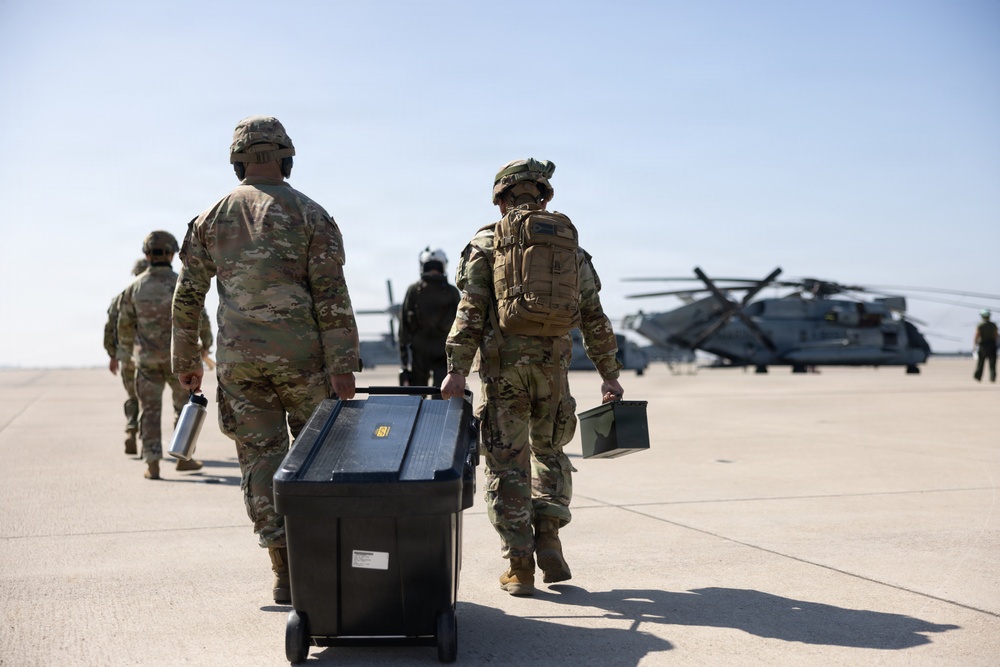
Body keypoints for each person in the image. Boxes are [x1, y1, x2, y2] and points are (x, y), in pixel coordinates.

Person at [171, 115, 361, 605]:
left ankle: (282, 569)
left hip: (240, 364)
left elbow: (187, 297)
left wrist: (186, 360)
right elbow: (332, 297)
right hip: (305, 363)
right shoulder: (312, 215)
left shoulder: (211, 217)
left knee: (260, 458)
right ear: (287, 159)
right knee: (320, 461)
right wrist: (343, 367)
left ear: (238, 163)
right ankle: (321, 561)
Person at [440, 158, 624, 596]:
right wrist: (609, 373)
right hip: (554, 375)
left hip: (504, 375)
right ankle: (551, 536)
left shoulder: (485, 244)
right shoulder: (570, 249)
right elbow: (594, 316)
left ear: (501, 198)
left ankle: (520, 565)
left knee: (507, 465)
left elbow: (470, 311)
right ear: (544, 195)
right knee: (552, 453)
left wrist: (456, 370)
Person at [118, 232, 212, 479]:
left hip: (146, 362)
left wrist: (126, 355)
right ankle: (183, 458)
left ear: (146, 254)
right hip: (179, 361)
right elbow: (199, 317)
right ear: (172, 253)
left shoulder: (134, 287)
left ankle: (152, 464)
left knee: (149, 411)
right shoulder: (180, 283)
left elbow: (125, 326)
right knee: (183, 409)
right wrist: (206, 345)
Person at [399, 247, 461, 388]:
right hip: (439, 353)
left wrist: (404, 361)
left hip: (425, 354)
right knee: (440, 400)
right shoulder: (452, 292)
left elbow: (403, 329)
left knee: (417, 399)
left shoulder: (414, 290)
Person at [104, 258, 148, 455]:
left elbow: (109, 328)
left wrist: (113, 355)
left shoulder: (121, 297)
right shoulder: (161, 291)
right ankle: (150, 444)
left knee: (133, 397)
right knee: (150, 400)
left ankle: (131, 431)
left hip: (126, 355)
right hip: (152, 355)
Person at [974, 309, 998, 382]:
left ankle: (978, 376)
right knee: (992, 362)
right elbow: (996, 335)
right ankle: (992, 377)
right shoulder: (993, 325)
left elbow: (977, 336)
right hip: (992, 345)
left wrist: (975, 345)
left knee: (981, 362)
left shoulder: (980, 325)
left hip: (983, 345)